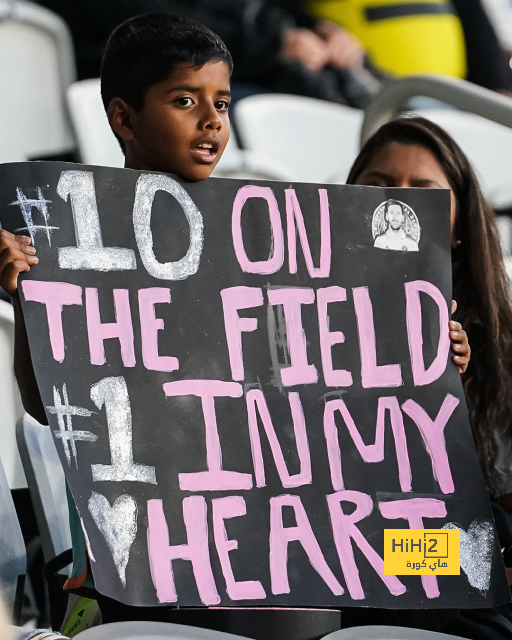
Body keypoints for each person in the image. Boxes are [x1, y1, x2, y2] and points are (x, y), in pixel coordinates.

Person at [346, 115, 512, 640]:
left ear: (460, 225)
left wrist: (445, 398)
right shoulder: (282, 314)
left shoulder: (499, 344)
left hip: (435, 550)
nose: (398, 207)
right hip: (330, 544)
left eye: (424, 192)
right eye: (378, 187)